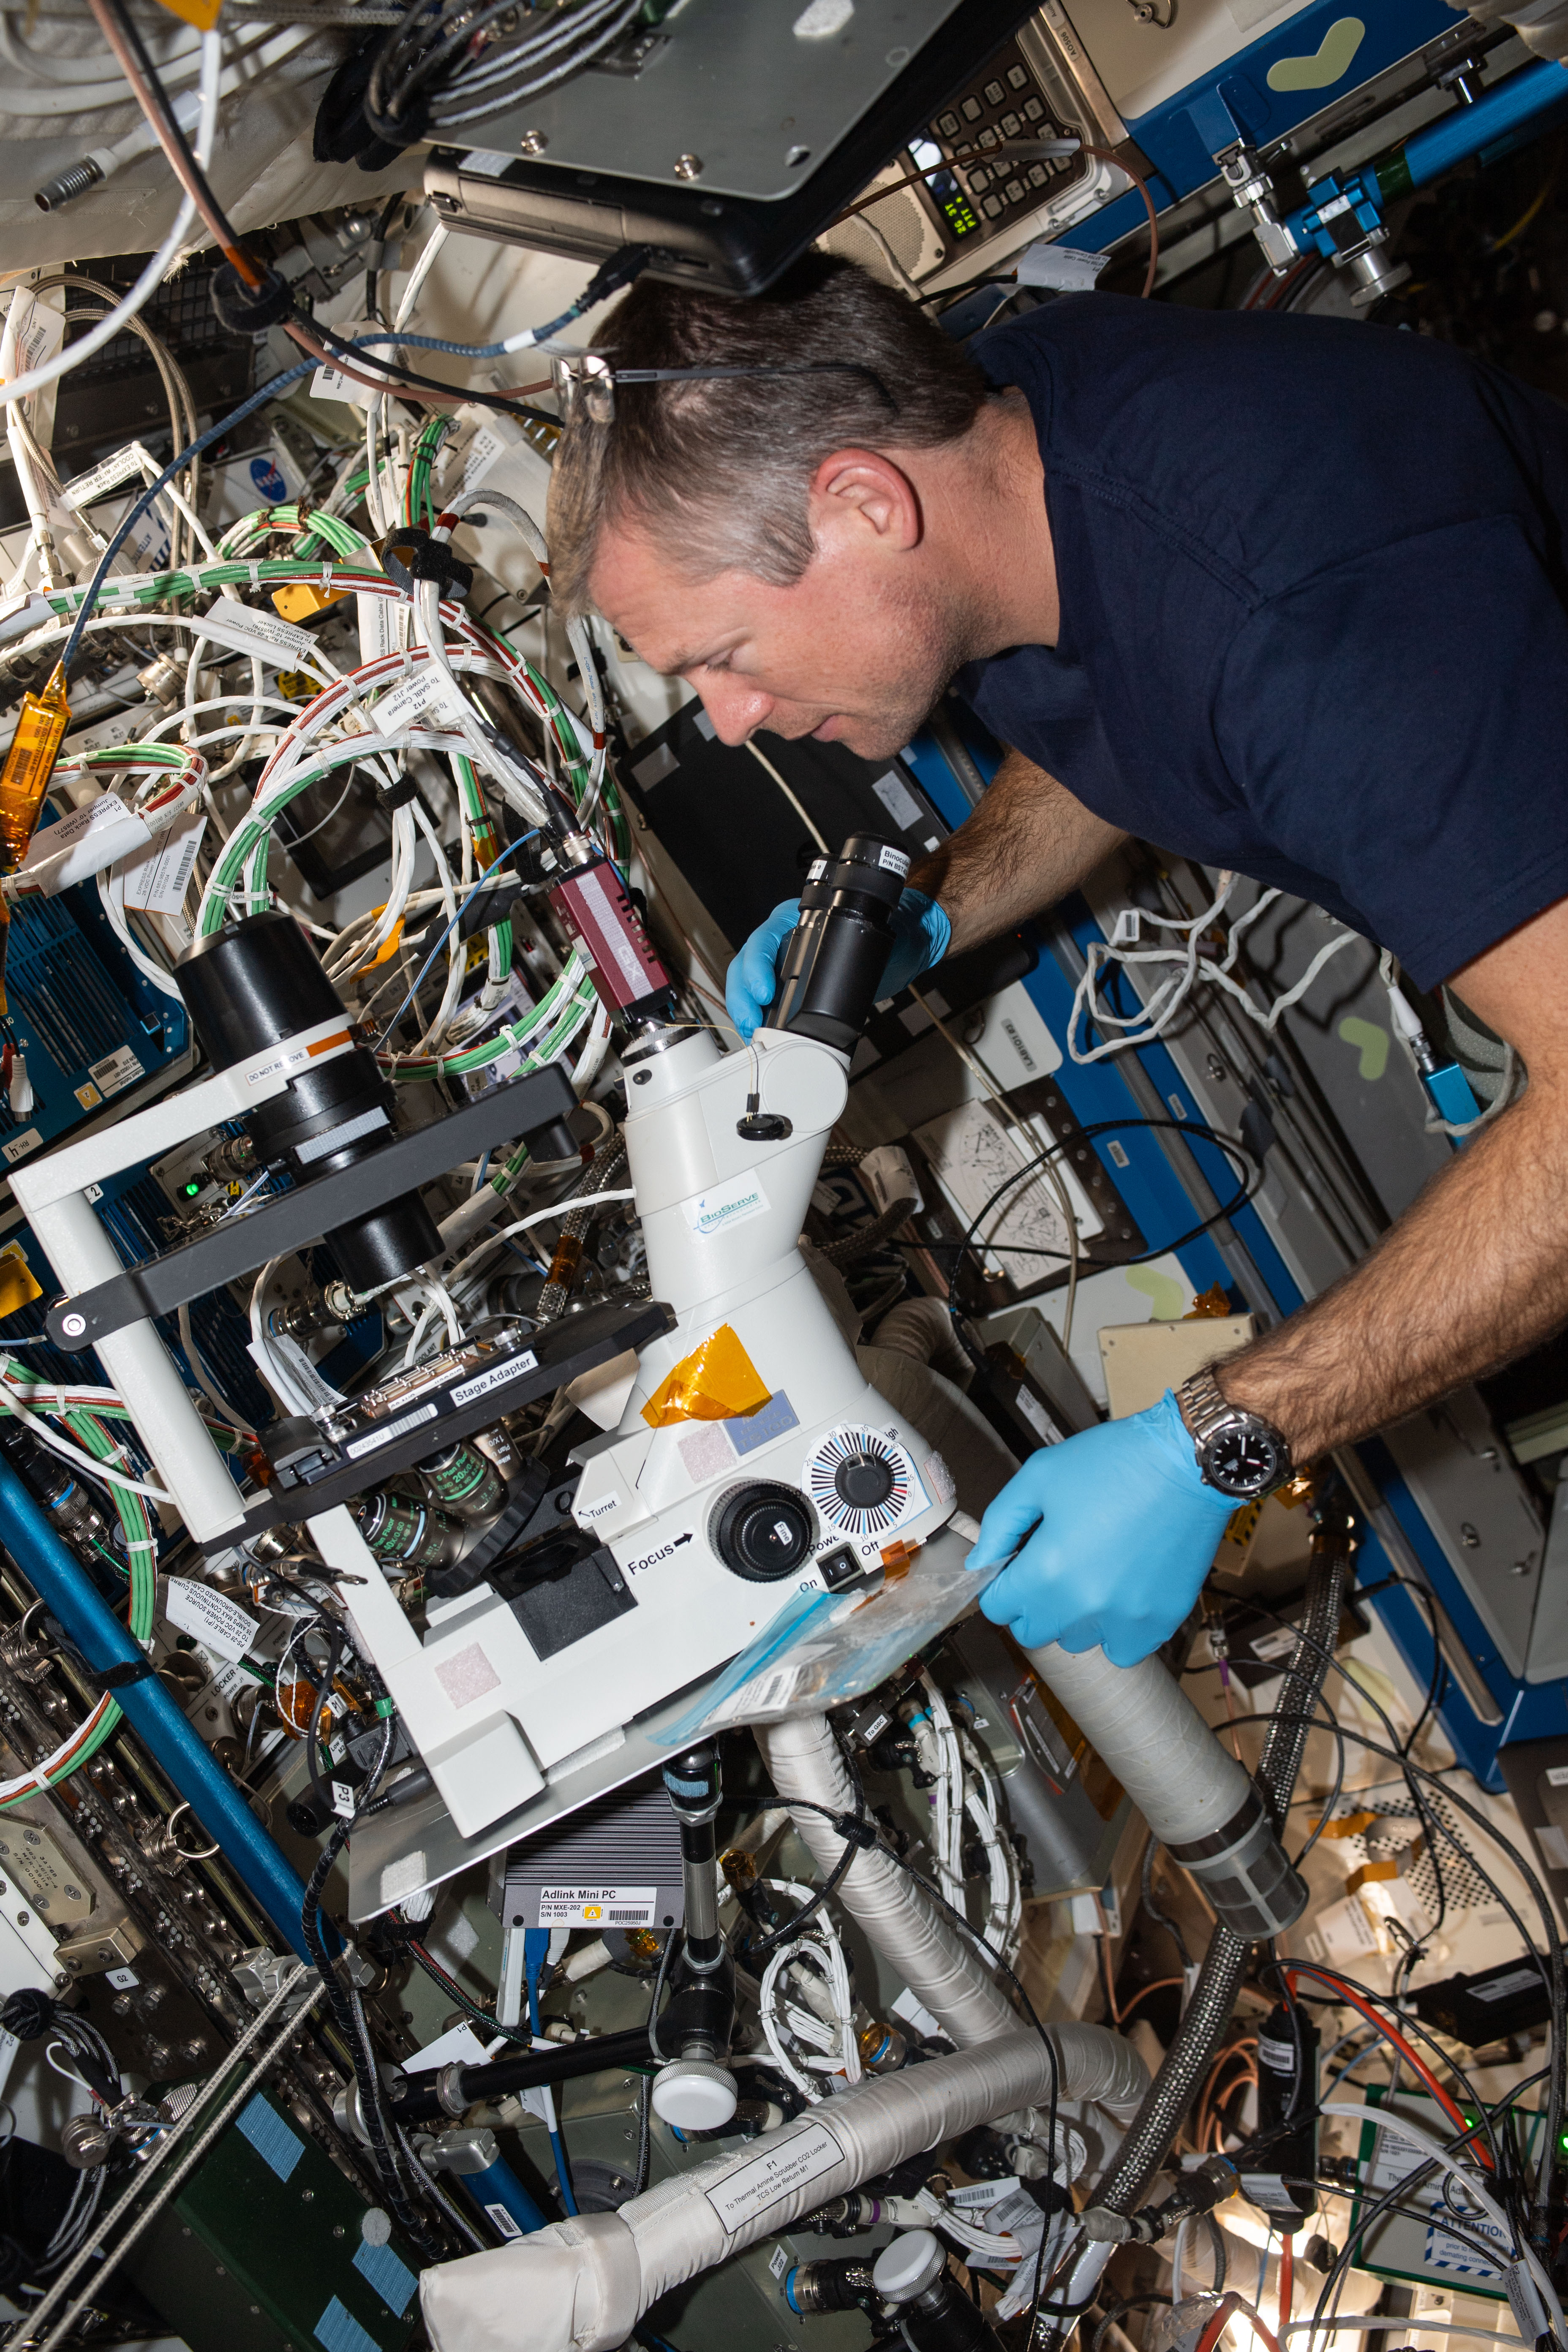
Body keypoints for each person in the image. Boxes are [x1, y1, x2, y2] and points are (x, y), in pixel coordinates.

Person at [544, 255, 1568, 1669]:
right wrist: (935, 910)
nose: (724, 721)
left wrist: (1217, 1440)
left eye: (725, 653)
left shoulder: (1312, 624)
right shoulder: (1025, 443)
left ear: (862, 502)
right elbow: (1126, 699)